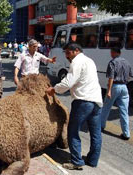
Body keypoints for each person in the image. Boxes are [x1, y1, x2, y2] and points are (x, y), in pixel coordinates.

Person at [46, 42, 103, 170]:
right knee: (96, 133)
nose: (66, 55)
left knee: (72, 131)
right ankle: (93, 160)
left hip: (83, 101)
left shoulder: (77, 62)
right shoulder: (90, 61)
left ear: (76, 50)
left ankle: (77, 161)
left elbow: (69, 82)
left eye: (68, 52)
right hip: (96, 101)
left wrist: (54, 89)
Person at [101, 47, 132, 140]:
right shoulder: (126, 62)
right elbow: (130, 75)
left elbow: (111, 77)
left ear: (114, 53)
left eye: (111, 52)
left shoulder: (112, 62)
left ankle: (101, 125)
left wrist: (109, 90)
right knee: (124, 111)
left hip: (115, 86)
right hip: (124, 87)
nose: (111, 54)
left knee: (106, 107)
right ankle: (126, 133)